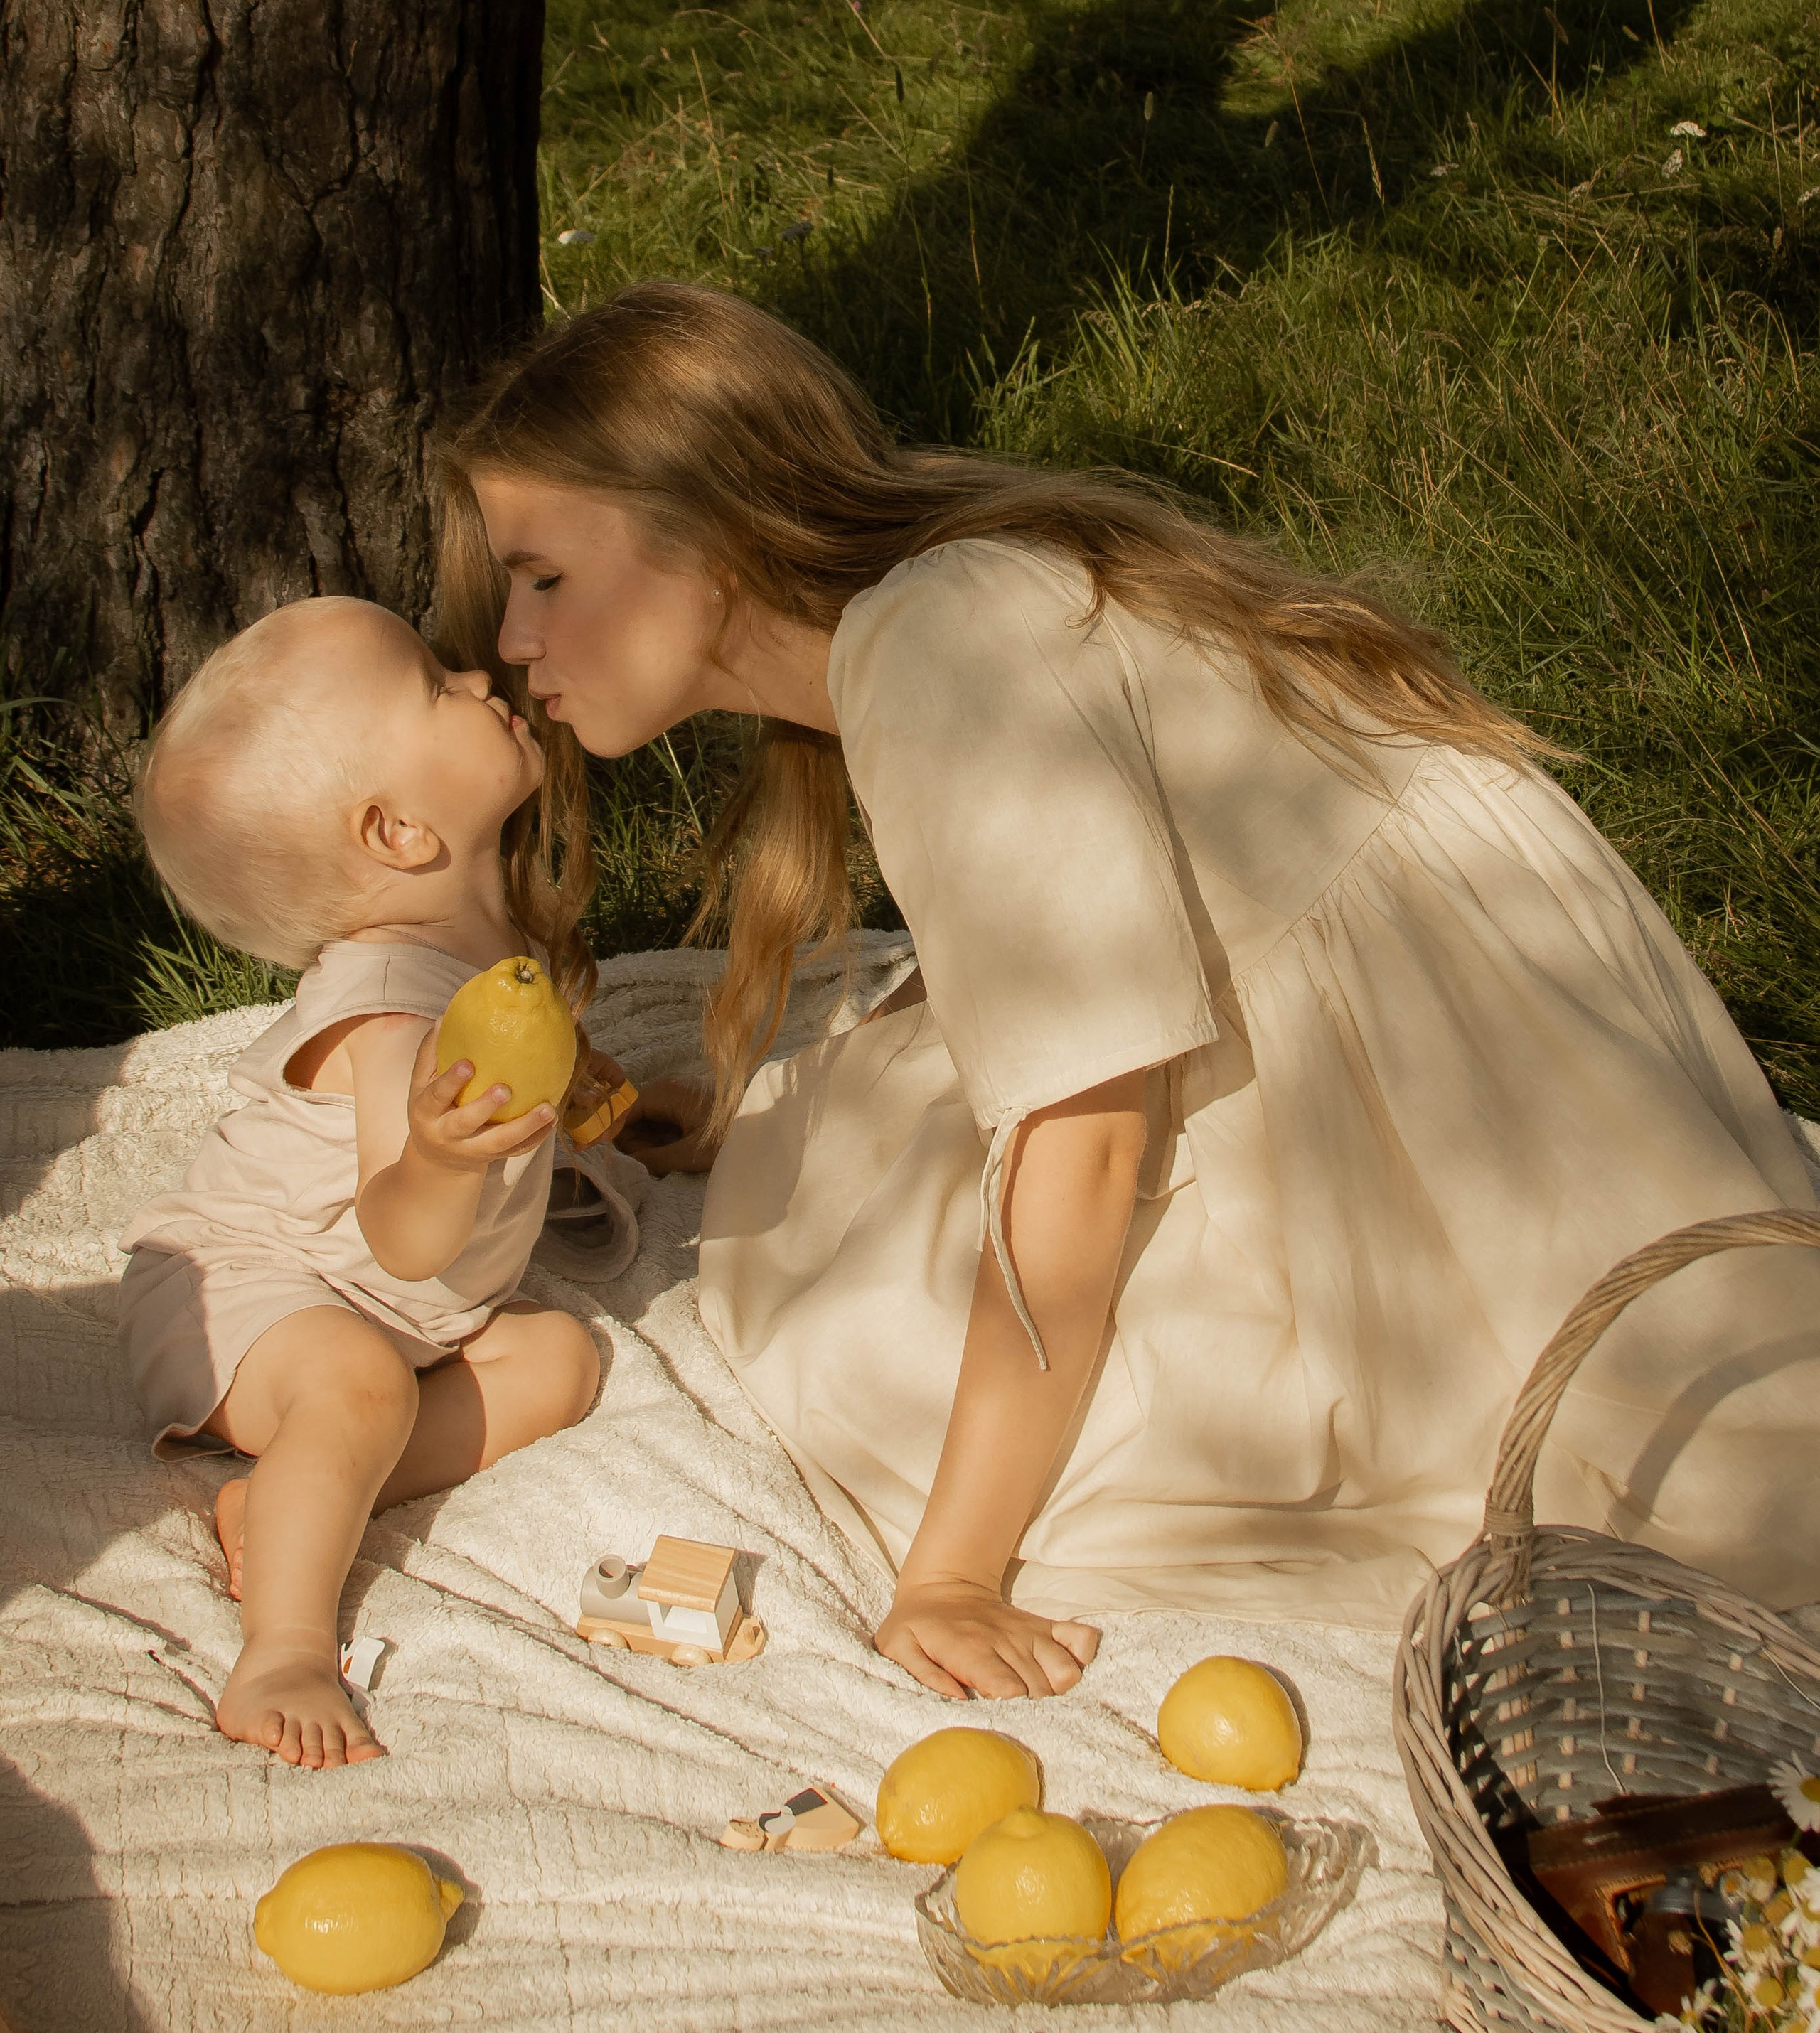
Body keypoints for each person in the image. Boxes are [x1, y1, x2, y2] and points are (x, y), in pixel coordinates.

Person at [438, 279, 1820, 1701]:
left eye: (541, 575)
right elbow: (1058, 948)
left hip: (1436, 1125)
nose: (516, 641)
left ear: (703, 534)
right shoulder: (929, 609)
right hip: (1381, 1018)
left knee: (870, 1352)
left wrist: (953, 1569)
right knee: (842, 1160)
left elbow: (1087, 1146)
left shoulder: (941, 650)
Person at [119, 598, 625, 1768]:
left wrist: (590, 1095)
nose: (473, 672)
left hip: (386, 1315)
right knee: (354, 1382)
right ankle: (285, 1643)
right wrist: (444, 1155)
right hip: (242, 1291)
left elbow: (520, 1061)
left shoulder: (477, 946)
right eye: (435, 685)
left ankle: (297, 1487)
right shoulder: (396, 1003)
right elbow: (401, 1229)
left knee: (559, 1360)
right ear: (396, 832)